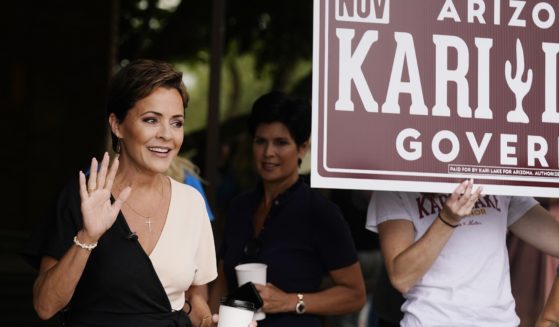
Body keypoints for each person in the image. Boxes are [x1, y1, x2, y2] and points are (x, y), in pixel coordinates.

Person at [24, 59, 217, 327]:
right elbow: (45, 306)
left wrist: (212, 322)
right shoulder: (83, 196)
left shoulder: (192, 203)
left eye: (176, 123)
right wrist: (88, 236)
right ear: (117, 125)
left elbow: (195, 302)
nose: (166, 135)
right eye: (151, 120)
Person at [210, 91, 366, 326]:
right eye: (260, 141)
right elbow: (223, 278)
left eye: (281, 143)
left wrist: (290, 301)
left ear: (302, 148)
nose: (268, 152)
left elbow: (355, 295)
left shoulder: (320, 213)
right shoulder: (239, 207)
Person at [366, 181, 559, 326]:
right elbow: (402, 277)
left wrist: (549, 318)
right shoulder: (396, 185)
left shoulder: (497, 179)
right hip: (432, 321)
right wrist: (448, 219)